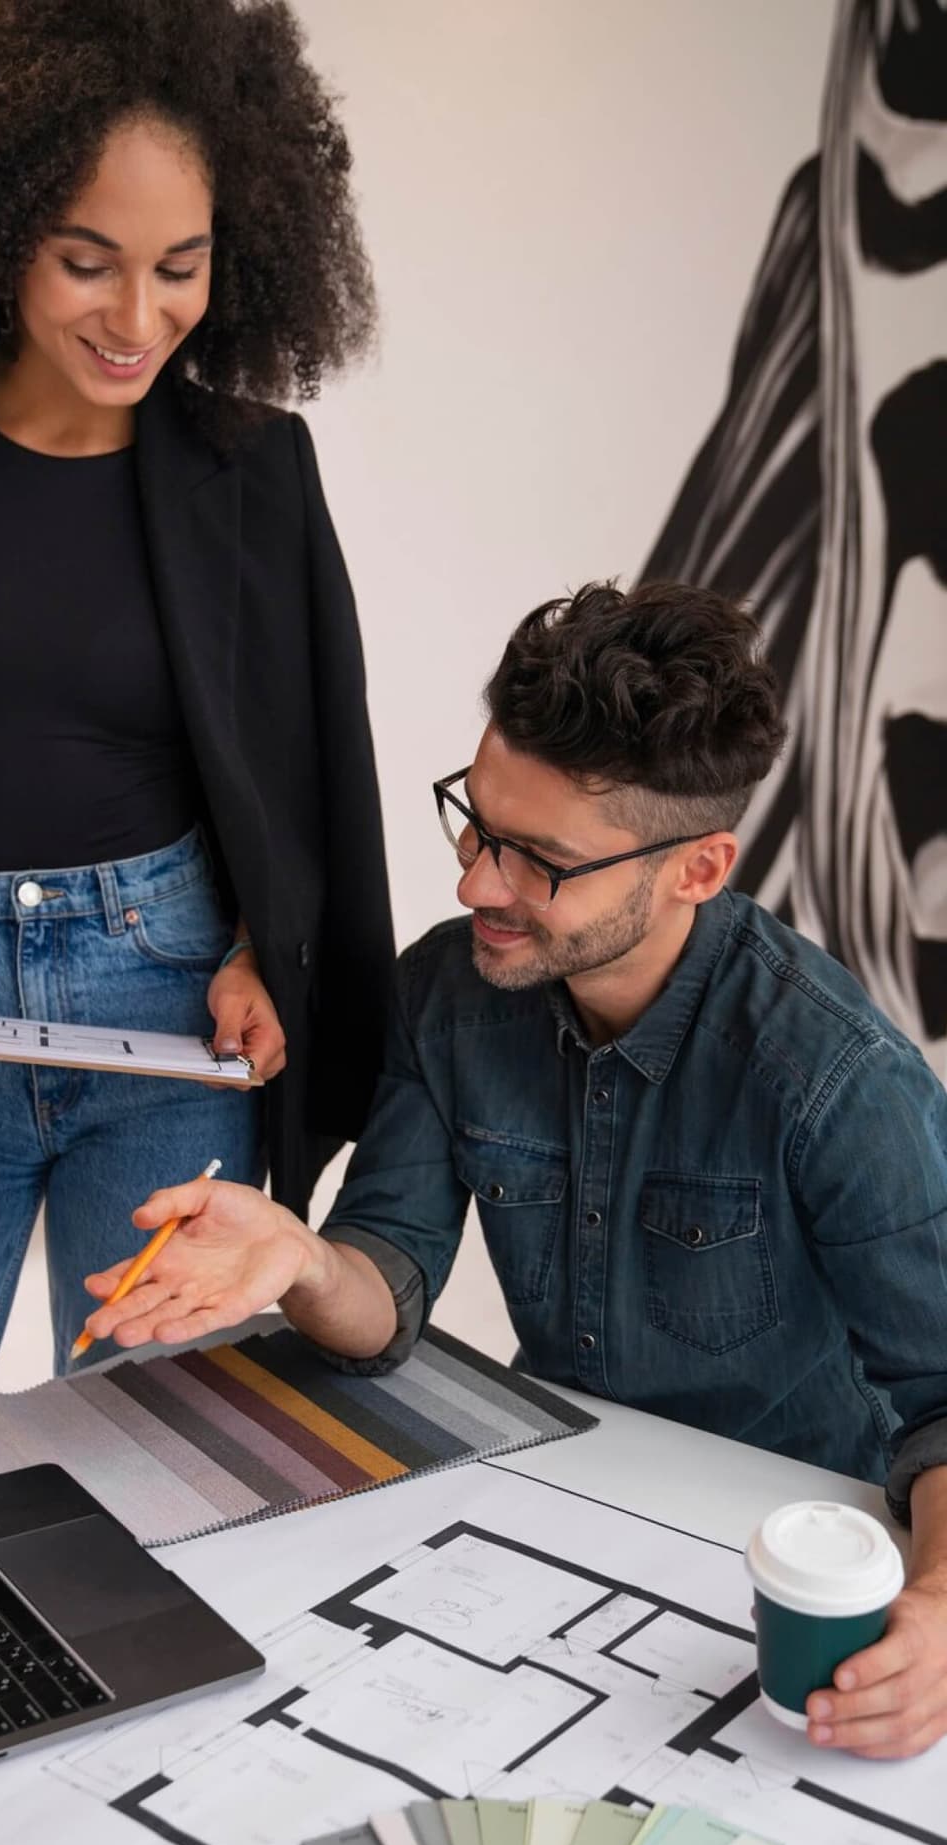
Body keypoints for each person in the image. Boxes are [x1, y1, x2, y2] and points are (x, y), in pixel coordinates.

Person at [84, 579, 947, 1762]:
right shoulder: (448, 989)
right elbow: (385, 1281)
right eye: (475, 823)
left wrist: (941, 1612)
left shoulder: (836, 1079)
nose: (474, 883)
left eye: (538, 860)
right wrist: (300, 1257)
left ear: (696, 869)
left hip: (777, 1562)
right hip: (555, 1502)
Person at [0, 0, 394, 1461]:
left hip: (164, 1022)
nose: (138, 317)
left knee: (172, 1467)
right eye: (86, 261)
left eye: (182, 267)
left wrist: (259, 948)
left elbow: (308, 775)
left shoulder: (257, 470)